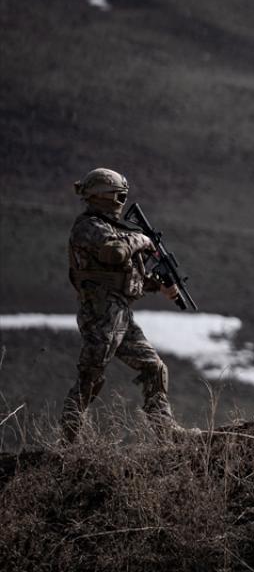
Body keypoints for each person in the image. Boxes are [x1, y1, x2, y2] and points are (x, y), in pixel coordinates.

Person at [62, 168, 183, 442]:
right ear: (105, 196)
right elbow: (114, 253)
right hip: (100, 313)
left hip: (120, 312)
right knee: (90, 374)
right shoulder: (88, 227)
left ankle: (166, 431)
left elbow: (125, 274)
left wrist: (158, 285)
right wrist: (142, 239)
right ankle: (69, 438)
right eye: (119, 196)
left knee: (154, 367)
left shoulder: (112, 228)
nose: (121, 202)